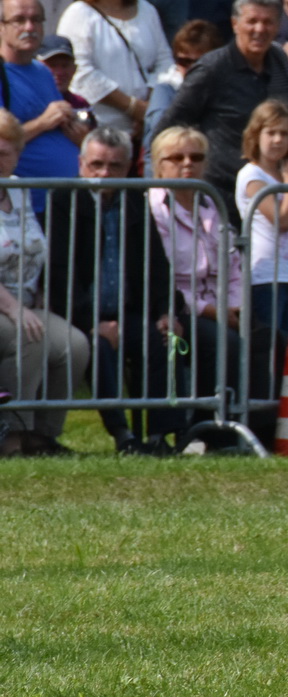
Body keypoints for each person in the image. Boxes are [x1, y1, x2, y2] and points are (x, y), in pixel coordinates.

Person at [44, 127, 185, 453]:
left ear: (129, 166)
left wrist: (166, 311)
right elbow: (60, 273)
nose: (105, 174)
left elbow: (156, 263)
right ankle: (123, 434)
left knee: (161, 339)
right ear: (80, 164)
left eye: (115, 166)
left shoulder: (134, 201)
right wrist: (91, 321)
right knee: (100, 346)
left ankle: (159, 435)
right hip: (81, 313)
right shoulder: (64, 200)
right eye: (96, 165)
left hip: (130, 309)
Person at [146, 125, 282, 450]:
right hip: (178, 309)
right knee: (224, 342)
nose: (187, 164)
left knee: (274, 340)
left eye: (196, 157)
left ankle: (259, 433)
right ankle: (208, 434)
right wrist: (216, 312)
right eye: (176, 157)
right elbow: (160, 277)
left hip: (222, 306)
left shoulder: (211, 204)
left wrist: (235, 308)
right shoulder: (153, 209)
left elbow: (233, 266)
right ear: (158, 164)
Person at [157, 0, 288, 209]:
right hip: (219, 196)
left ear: (278, 26)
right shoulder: (211, 69)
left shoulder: (280, 63)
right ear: (235, 24)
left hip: (269, 192)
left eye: (268, 22)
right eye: (252, 21)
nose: (259, 29)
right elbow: (167, 127)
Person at [0, 109, 89, 454]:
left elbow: (36, 248)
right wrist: (14, 309)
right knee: (30, 336)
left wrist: (42, 295)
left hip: (25, 302)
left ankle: (44, 435)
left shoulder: (21, 190)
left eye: (5, 153)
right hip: (6, 306)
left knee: (74, 343)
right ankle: (11, 435)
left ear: (18, 154)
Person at [58, 0, 175, 137]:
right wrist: (133, 108)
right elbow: (81, 72)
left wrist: (151, 106)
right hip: (98, 125)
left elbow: (165, 62)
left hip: (144, 126)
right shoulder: (79, 14)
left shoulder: (147, 11)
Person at [237, 100, 288, 345]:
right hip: (266, 274)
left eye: (284, 133)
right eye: (271, 132)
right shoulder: (251, 175)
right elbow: (282, 221)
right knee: (270, 348)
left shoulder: (287, 174)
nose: (278, 140)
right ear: (256, 135)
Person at [0, 0, 85, 193]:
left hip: (63, 203)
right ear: (1, 27)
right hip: (23, 206)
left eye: (36, 20)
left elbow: (57, 124)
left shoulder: (43, 71)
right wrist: (43, 122)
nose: (29, 27)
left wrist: (77, 133)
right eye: (19, 20)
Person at [164, 21, 221, 92]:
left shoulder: (229, 85)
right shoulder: (167, 87)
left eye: (199, 62)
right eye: (184, 61)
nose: (191, 68)